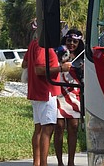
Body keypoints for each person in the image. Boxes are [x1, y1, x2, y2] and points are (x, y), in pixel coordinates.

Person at [21, 27, 72, 166]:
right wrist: (62, 68)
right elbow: (39, 70)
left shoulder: (33, 44)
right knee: (47, 128)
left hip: (35, 91)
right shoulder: (44, 46)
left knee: (38, 129)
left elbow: (24, 64)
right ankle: (43, 163)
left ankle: (36, 162)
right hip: (46, 91)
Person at [55, 29, 84, 166]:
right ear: (65, 40)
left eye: (75, 41)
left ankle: (71, 162)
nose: (72, 43)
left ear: (79, 43)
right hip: (59, 91)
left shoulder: (83, 57)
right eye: (69, 40)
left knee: (73, 127)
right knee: (59, 126)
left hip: (74, 93)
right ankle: (60, 162)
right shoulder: (58, 53)